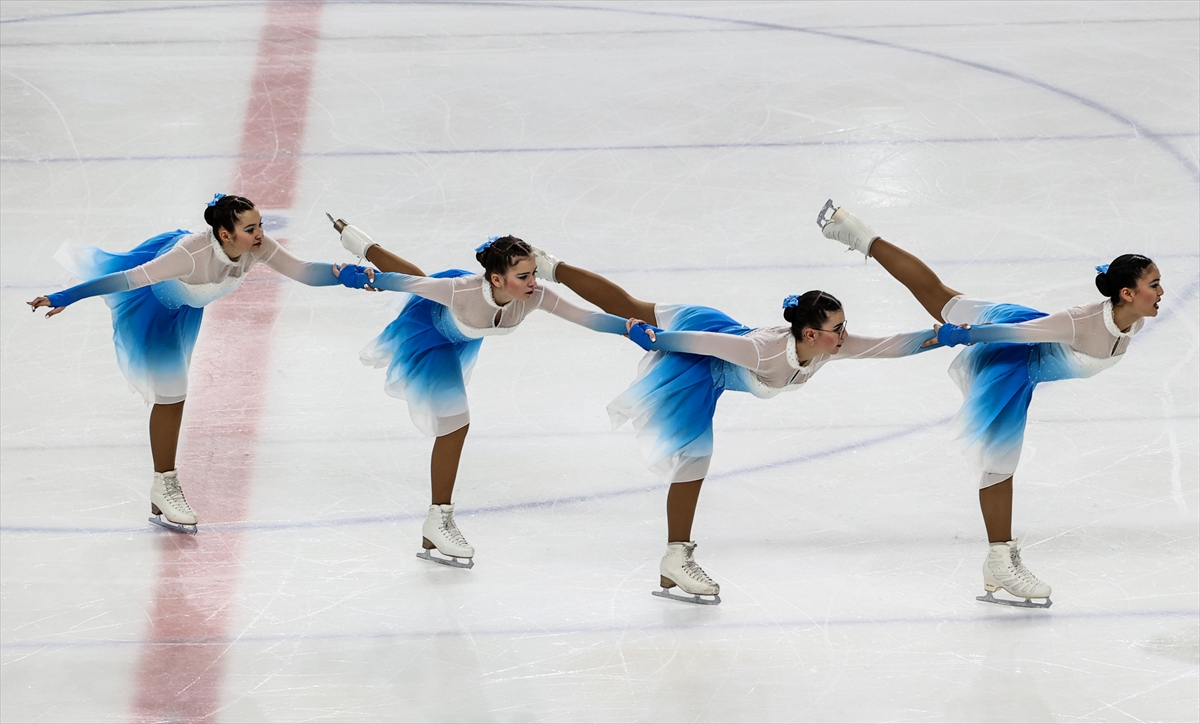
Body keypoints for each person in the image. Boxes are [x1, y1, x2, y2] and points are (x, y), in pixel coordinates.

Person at [525, 247, 940, 604]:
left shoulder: (828, 348)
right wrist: (653, 339)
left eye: (844, 325)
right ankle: (676, 555)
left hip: (717, 337)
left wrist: (945, 336)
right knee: (694, 454)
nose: (846, 334)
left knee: (635, 313)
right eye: (838, 328)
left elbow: (888, 346)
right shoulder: (763, 352)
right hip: (702, 356)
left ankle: (674, 559)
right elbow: (700, 343)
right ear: (811, 333)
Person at [817, 200, 1163, 608]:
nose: (1161, 292)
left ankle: (855, 233)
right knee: (1000, 462)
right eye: (1154, 284)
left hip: (1022, 336)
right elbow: (1015, 335)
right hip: (1013, 357)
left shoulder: (1132, 318)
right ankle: (1000, 559)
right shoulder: (1079, 321)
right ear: (1128, 293)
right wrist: (963, 335)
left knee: (938, 295)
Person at [27, 194, 359, 534]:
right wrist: (66, 296)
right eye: (250, 228)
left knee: (176, 389)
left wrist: (345, 274)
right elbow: (127, 279)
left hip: (187, 306)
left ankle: (162, 489)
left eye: (260, 225)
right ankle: (164, 484)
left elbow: (303, 271)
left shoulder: (256, 247)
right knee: (172, 392)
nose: (259, 234)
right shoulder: (188, 255)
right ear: (225, 234)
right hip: (156, 308)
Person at [330, 218, 631, 568]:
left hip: (460, 337)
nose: (534, 282)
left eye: (534, 273)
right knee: (456, 423)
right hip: (432, 336)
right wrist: (360, 259)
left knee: (454, 420)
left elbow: (587, 318)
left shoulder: (534, 297)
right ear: (496, 279)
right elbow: (403, 280)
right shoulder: (461, 290)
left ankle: (433, 527)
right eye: (524, 277)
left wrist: (628, 328)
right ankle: (438, 518)